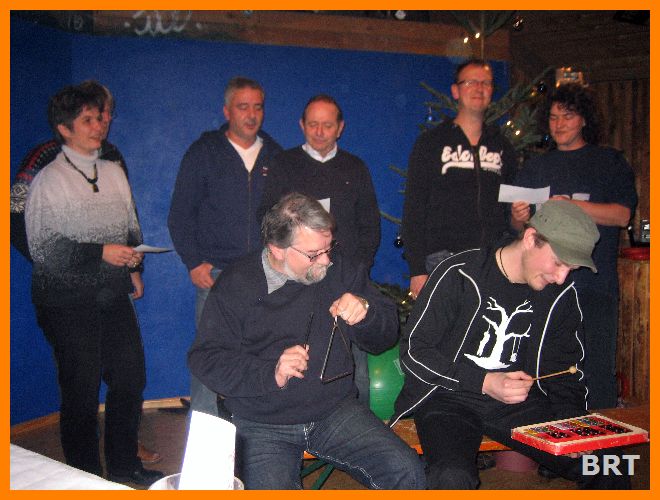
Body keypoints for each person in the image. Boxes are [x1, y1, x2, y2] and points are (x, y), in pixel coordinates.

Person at [188, 193, 425, 490]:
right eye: (314, 254)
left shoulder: (340, 270)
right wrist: (270, 372)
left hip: (333, 410)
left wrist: (366, 313)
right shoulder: (238, 283)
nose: (326, 260)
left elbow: (385, 337)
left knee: (406, 471)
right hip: (262, 420)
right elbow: (207, 358)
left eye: (328, 248)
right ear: (277, 249)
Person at [392, 200, 629, 489]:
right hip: (448, 398)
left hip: (521, 403)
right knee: (451, 476)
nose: (561, 277)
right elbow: (415, 351)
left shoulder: (561, 294)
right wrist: (484, 382)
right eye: (558, 263)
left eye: (571, 268)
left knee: (610, 461)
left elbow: (565, 369)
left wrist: (570, 422)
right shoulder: (460, 273)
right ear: (530, 239)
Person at [9, 80, 160, 466]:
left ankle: (125, 466)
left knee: (129, 378)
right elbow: (36, 241)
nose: (101, 124)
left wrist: (134, 263)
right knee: (81, 388)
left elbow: (129, 224)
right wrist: (92, 254)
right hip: (65, 298)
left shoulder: (113, 166)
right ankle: (85, 476)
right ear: (65, 128)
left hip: (111, 292)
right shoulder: (46, 172)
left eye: (102, 117)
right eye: (90, 118)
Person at [511, 82, 637, 409]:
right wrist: (519, 216)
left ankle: (602, 436)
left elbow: (622, 215)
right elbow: (521, 231)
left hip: (594, 282)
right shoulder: (535, 167)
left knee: (596, 366)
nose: (559, 124)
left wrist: (572, 206)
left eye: (567, 116)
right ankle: (550, 435)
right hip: (546, 287)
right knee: (545, 365)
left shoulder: (608, 161)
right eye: (553, 117)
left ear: (584, 119)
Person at [168, 76, 282, 419]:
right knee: (210, 356)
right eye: (243, 107)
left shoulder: (276, 155)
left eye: (257, 107)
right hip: (215, 274)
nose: (251, 114)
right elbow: (180, 214)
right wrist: (193, 262)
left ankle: (257, 425)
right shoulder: (203, 152)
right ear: (227, 110)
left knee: (263, 352)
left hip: (265, 273)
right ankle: (206, 433)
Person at [258, 94, 381, 406]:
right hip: (297, 280)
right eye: (313, 124)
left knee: (355, 365)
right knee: (299, 357)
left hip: (345, 278)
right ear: (302, 125)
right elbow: (267, 220)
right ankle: (297, 422)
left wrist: (359, 269)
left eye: (327, 125)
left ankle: (359, 425)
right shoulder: (283, 165)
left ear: (340, 128)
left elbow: (370, 224)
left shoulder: (355, 167)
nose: (320, 131)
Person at [401, 58, 517, 300]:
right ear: (455, 91)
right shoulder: (431, 143)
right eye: (471, 82)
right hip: (443, 260)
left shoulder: (502, 147)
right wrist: (417, 269)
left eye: (486, 83)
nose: (479, 88)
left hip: (493, 260)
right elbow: (414, 208)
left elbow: (510, 209)